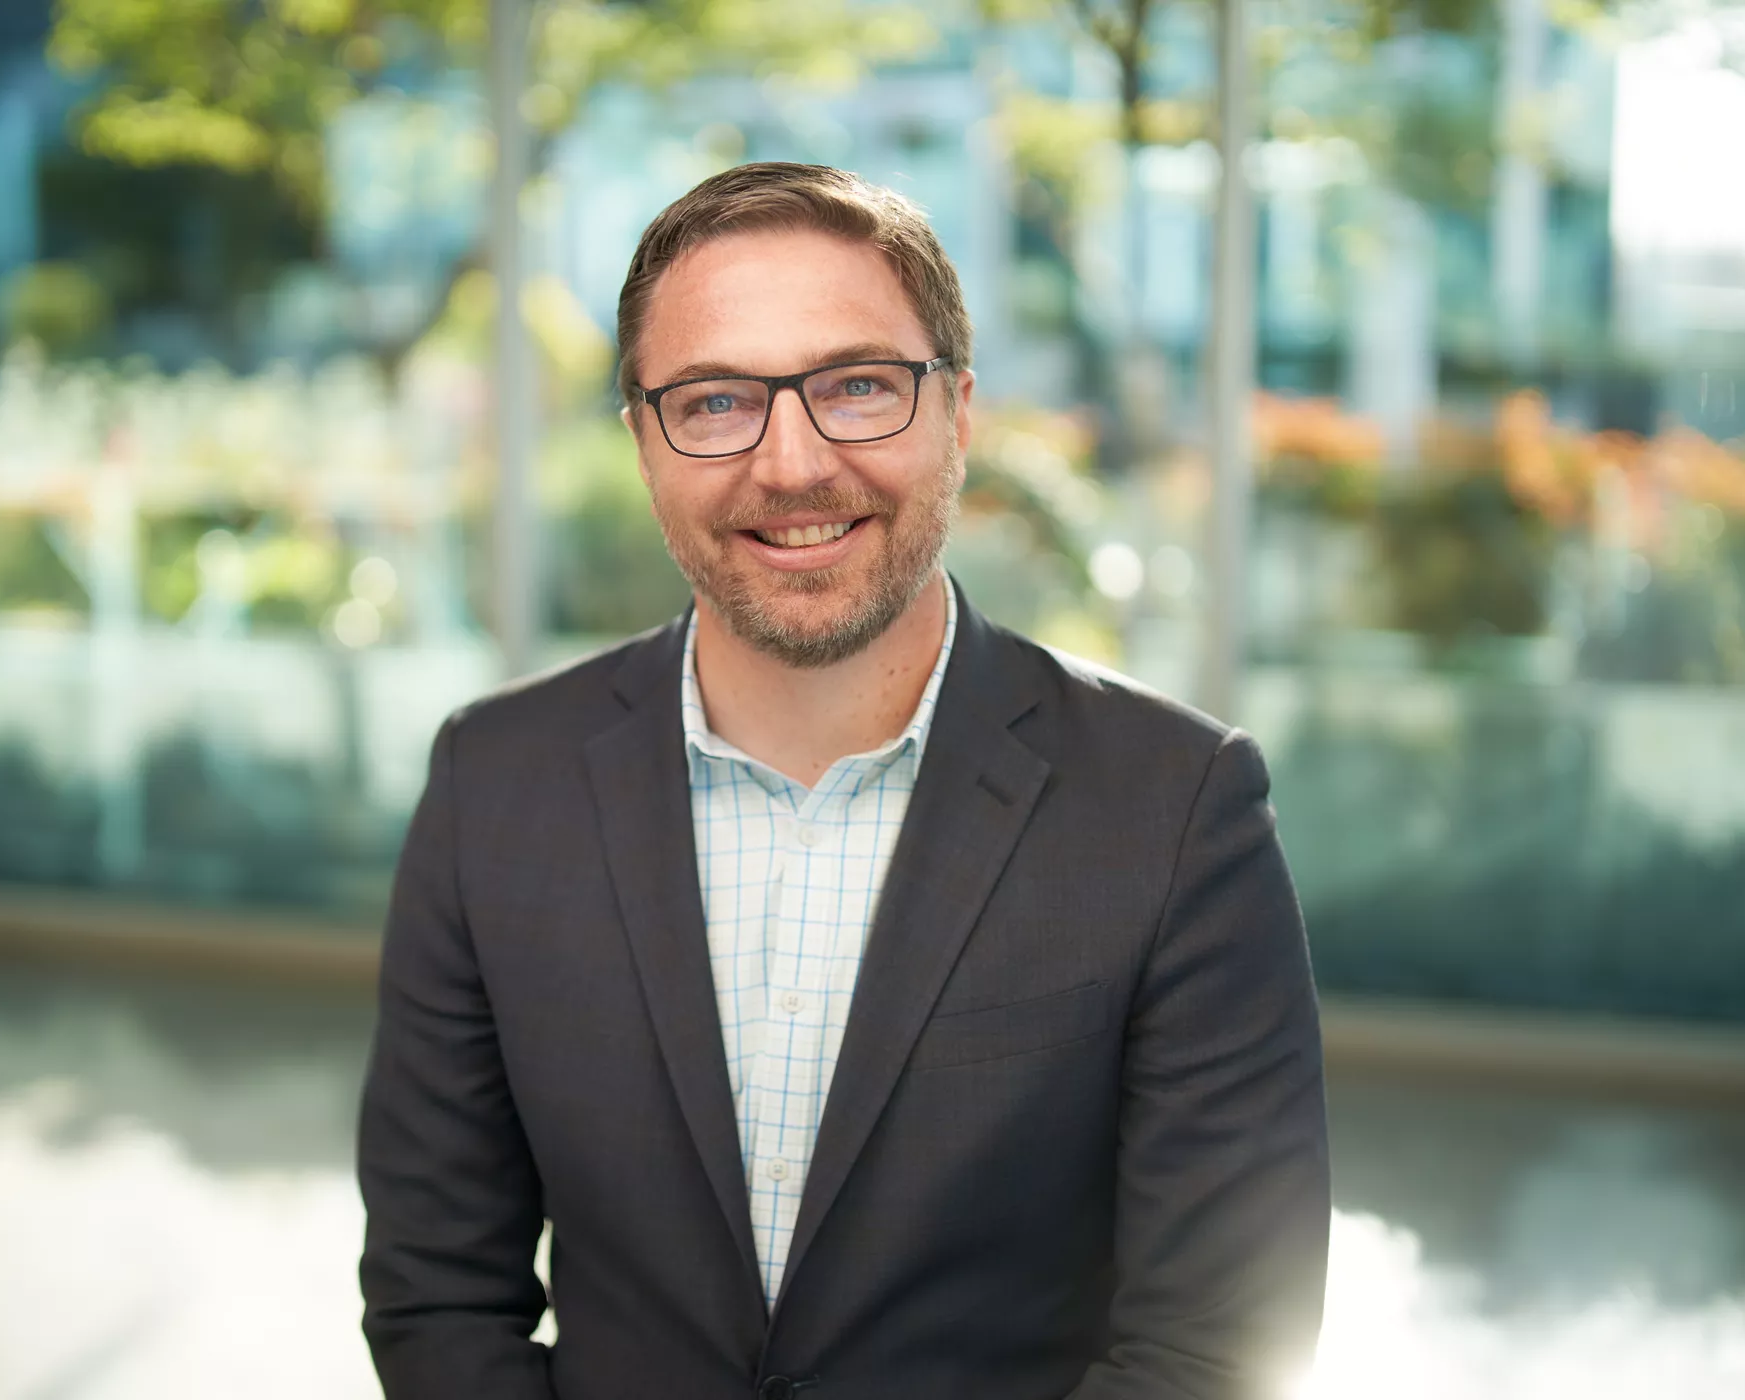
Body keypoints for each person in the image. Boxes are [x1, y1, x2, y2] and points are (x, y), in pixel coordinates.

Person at [357, 162, 1329, 1400]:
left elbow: (1218, 1342)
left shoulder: (1180, 808)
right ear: (643, 443)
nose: (793, 463)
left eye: (859, 386)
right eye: (714, 402)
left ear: (959, 413)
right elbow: (441, 1292)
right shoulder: (491, 784)